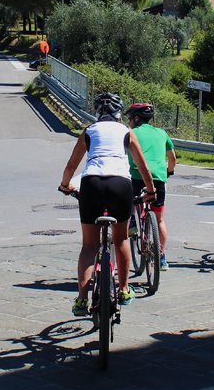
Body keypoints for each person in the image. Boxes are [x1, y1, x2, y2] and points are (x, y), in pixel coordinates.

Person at [60, 92, 156, 316]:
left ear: (97, 112)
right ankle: (123, 290)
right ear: (119, 113)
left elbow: (71, 165)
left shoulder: (89, 131)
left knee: (89, 246)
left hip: (91, 183)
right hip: (120, 184)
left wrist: (65, 185)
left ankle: (82, 300)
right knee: (121, 238)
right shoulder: (126, 131)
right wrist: (150, 190)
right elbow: (143, 167)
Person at [125, 103, 176, 271]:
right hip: (158, 179)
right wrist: (168, 172)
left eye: (130, 118)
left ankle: (132, 221)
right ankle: (162, 257)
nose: (129, 122)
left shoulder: (130, 133)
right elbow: (172, 158)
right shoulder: (162, 133)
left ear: (136, 118)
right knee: (159, 219)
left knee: (130, 201)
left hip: (137, 176)